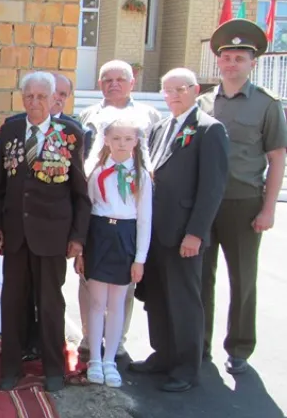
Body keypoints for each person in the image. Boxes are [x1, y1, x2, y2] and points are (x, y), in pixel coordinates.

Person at [0, 72, 90, 392]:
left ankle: (54, 370)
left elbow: (80, 193)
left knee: (49, 304)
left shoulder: (70, 132)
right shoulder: (11, 130)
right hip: (16, 234)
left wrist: (78, 237)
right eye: (28, 96)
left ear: (53, 99)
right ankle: (9, 368)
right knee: (13, 303)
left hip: (52, 234)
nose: (34, 102)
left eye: (41, 97)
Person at [128, 68, 229, 392]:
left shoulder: (209, 130)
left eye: (179, 89)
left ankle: (187, 366)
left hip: (184, 233)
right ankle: (163, 354)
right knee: (156, 298)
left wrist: (196, 233)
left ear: (195, 90)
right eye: (166, 90)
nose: (172, 95)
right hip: (155, 232)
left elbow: (212, 188)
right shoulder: (159, 127)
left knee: (184, 301)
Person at [196, 19, 287, 374]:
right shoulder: (203, 102)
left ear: (252, 63)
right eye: (227, 57)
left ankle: (239, 348)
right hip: (205, 204)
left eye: (239, 58)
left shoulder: (267, 105)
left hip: (244, 202)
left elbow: (277, 158)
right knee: (201, 276)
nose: (232, 64)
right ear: (218, 61)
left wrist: (268, 209)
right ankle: (198, 343)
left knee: (242, 278)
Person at [75, 60, 161, 358]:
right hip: (98, 207)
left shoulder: (148, 115)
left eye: (119, 79)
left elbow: (152, 157)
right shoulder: (88, 115)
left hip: (129, 208)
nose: (113, 84)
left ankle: (117, 341)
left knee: (122, 289)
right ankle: (89, 338)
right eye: (106, 79)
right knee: (90, 285)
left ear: (132, 82)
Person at [76, 111, 153, 388]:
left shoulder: (142, 176)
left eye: (128, 139)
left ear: (136, 142)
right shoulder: (96, 173)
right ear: (106, 140)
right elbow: (87, 212)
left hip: (125, 238)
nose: (122, 143)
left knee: (117, 302)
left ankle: (110, 359)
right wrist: (82, 250)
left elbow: (145, 221)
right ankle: (94, 358)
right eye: (116, 138)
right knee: (96, 303)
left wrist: (140, 259)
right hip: (99, 236)